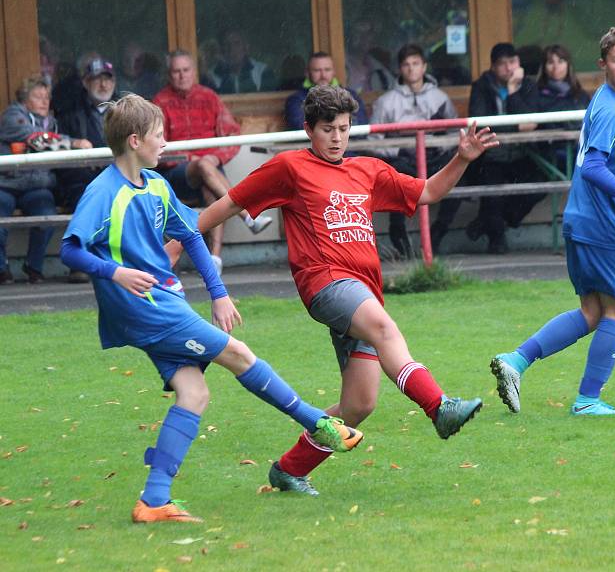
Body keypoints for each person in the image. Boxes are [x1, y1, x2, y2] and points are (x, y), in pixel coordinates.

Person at [59, 94, 363, 524]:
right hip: (144, 305)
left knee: (194, 393)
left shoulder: (158, 186)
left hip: (160, 300)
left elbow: (193, 235)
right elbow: (69, 249)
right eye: (159, 135)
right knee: (238, 354)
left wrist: (218, 293)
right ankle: (320, 423)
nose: (166, 142)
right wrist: (115, 273)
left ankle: (154, 500)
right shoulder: (103, 192)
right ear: (134, 140)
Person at [180, 85, 496, 495]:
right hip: (326, 283)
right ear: (309, 129)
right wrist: (175, 243)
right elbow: (229, 205)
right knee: (385, 329)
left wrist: (462, 157)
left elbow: (428, 192)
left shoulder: (367, 170)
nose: (336, 138)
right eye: (328, 129)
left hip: (363, 291)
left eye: (344, 129)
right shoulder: (289, 168)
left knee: (359, 405)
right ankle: (439, 408)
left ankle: (289, 469)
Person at [489, 26, 615, 416]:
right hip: (605, 226)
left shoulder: (604, 101)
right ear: (602, 64)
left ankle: (514, 361)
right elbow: (591, 168)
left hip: (580, 220)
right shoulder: (611, 107)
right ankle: (588, 400)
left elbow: (605, 159)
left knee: (592, 311)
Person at [153, 50, 271, 274]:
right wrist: (194, 159)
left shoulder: (209, 97)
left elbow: (233, 135)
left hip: (210, 168)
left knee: (211, 188)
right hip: (177, 172)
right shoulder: (160, 102)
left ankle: (214, 259)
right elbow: (157, 146)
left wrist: (216, 156)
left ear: (194, 72)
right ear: (169, 75)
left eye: (186, 70)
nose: (181, 76)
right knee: (203, 166)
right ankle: (247, 214)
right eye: (176, 71)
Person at [0, 75, 91, 284]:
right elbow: (36, 138)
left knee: (46, 216)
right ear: (25, 99)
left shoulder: (54, 123)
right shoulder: (13, 115)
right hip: (6, 184)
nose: (44, 101)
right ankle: (1, 268)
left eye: (46, 97)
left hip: (37, 186)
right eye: (37, 96)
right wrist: (73, 142)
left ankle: (34, 266)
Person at [369, 44, 458, 257]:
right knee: (395, 178)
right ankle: (398, 233)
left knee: (458, 177)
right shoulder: (386, 101)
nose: (411, 69)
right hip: (402, 160)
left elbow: (456, 131)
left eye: (416, 64)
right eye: (406, 65)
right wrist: (399, 151)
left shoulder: (440, 98)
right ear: (400, 69)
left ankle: (438, 234)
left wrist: (440, 148)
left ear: (424, 66)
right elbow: (374, 140)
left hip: (435, 157)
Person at [463, 42, 540, 254]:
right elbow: (481, 123)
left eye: (512, 62)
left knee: (539, 180)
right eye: (502, 64)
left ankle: (485, 222)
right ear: (493, 67)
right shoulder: (481, 86)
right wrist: (514, 124)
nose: (508, 68)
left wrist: (513, 91)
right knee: (493, 190)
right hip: (490, 153)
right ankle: (496, 240)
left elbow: (531, 124)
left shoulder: (527, 85)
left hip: (523, 152)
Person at [57, 58, 119, 283]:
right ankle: (81, 262)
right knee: (86, 195)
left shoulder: (125, 108)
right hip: (81, 179)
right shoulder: (69, 112)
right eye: (96, 79)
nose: (103, 85)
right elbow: (62, 154)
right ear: (85, 82)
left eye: (107, 79)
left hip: (118, 175)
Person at [534, 44, 591, 172]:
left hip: (580, 147)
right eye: (550, 62)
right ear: (544, 67)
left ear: (568, 65)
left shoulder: (580, 94)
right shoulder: (536, 93)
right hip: (551, 152)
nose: (556, 67)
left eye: (560, 61)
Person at [284, 52, 367, 131]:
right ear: (307, 73)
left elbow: (361, 126)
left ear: (334, 72)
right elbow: (301, 128)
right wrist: (341, 125)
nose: (323, 75)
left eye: (327, 70)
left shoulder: (351, 96)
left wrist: (322, 125)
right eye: (317, 70)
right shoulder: (296, 100)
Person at [210, 30, 277, 94]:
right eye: (226, 44)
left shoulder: (262, 71)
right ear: (221, 50)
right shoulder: (211, 76)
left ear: (246, 48)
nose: (231, 49)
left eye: (236, 43)